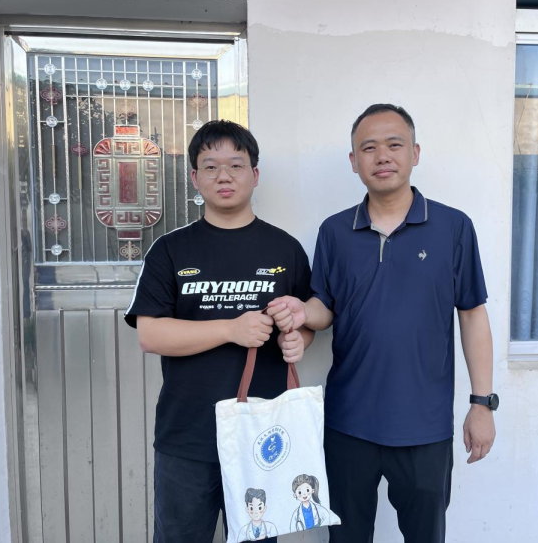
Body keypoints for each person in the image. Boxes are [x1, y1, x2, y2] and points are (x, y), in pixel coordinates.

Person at [267, 104, 498, 542]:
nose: (383, 156)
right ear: (354, 161)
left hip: (425, 425)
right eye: (369, 148)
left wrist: (482, 403)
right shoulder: (334, 231)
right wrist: (302, 313)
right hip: (348, 422)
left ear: (415, 153)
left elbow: (472, 314)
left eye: (395, 144)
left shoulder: (453, 227)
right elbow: (325, 306)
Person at [124, 120, 314, 543]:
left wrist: (298, 339)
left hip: (263, 438)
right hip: (187, 438)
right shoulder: (170, 250)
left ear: (255, 174)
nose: (223, 176)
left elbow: (305, 321)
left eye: (236, 165)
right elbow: (150, 335)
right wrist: (231, 328)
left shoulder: (285, 249)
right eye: (210, 167)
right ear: (195, 178)